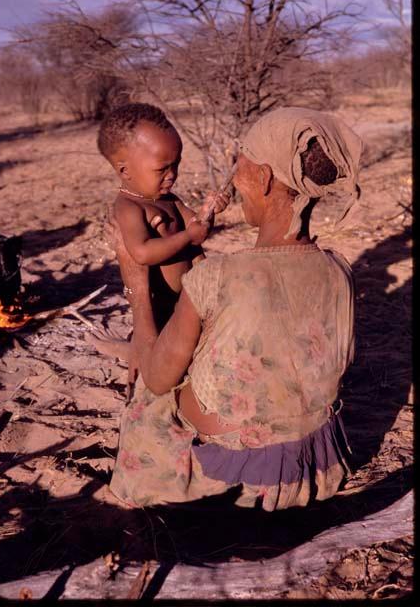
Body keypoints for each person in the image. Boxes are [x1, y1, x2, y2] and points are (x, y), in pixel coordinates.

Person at [107, 106, 363, 512]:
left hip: (235, 477)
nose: (235, 181)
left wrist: (136, 285)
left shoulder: (218, 277)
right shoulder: (340, 271)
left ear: (263, 178)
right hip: (312, 462)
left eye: (240, 167)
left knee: (147, 398)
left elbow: (158, 379)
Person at [88, 103, 229, 385]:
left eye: (176, 164)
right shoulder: (129, 208)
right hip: (163, 302)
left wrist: (208, 213)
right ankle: (133, 351)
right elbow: (141, 252)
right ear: (125, 171)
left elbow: (195, 226)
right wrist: (189, 237)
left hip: (190, 295)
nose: (172, 174)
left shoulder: (169, 198)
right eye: (162, 168)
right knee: (170, 357)